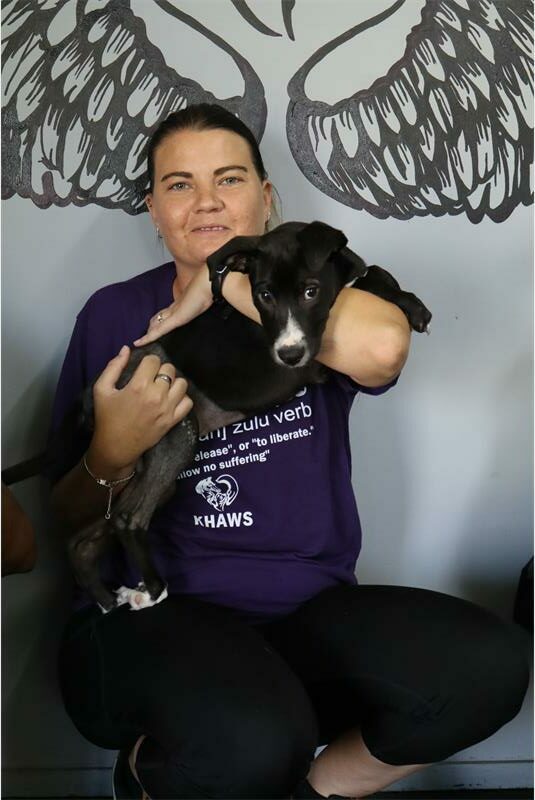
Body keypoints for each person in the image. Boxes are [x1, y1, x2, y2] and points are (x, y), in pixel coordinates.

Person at [49, 104, 529, 800]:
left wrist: (232, 277)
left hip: (305, 617)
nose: (207, 199)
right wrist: (114, 450)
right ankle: (148, 776)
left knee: (490, 665)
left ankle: (308, 793)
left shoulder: (318, 297)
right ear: (152, 208)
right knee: (251, 737)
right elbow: (60, 516)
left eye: (230, 178)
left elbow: (383, 348)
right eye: (178, 184)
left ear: (267, 196)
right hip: (151, 619)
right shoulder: (115, 315)